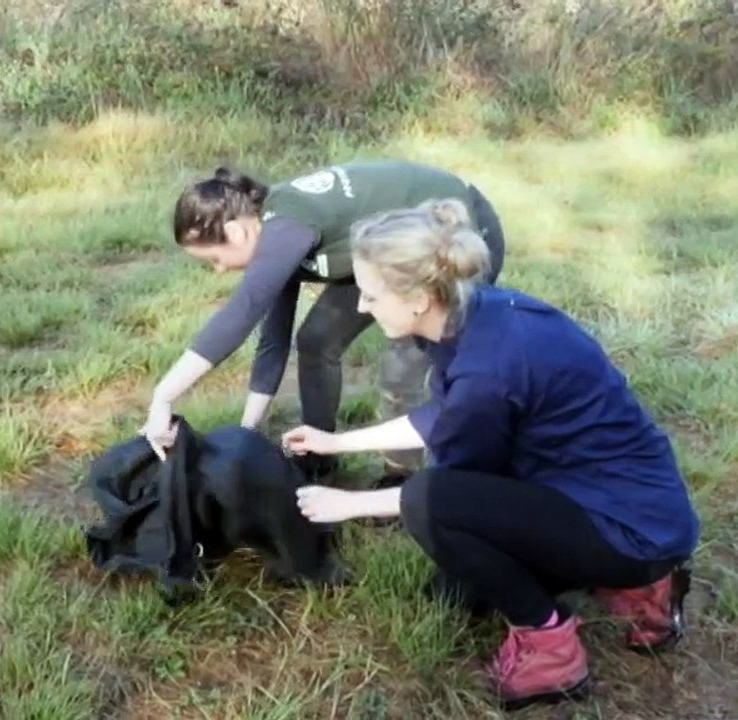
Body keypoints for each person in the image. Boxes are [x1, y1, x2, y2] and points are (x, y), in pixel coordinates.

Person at [279, 198, 701, 710]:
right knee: (457, 594)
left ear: (415, 298)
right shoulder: (475, 314)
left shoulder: (487, 369)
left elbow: (443, 496)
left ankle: (553, 648)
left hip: (633, 530)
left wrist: (348, 503)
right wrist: (337, 442)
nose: (362, 307)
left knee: (426, 503)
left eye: (369, 294)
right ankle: (635, 585)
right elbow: (448, 416)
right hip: (624, 499)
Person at [142, 159, 507, 485]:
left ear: (237, 232)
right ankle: (319, 452)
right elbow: (273, 340)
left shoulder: (288, 227)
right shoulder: (274, 240)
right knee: (317, 339)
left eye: (215, 259)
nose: (219, 270)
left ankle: (402, 478)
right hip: (381, 255)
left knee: (406, 361)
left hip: (453, 232)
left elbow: (244, 310)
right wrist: (246, 434)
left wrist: (163, 397)